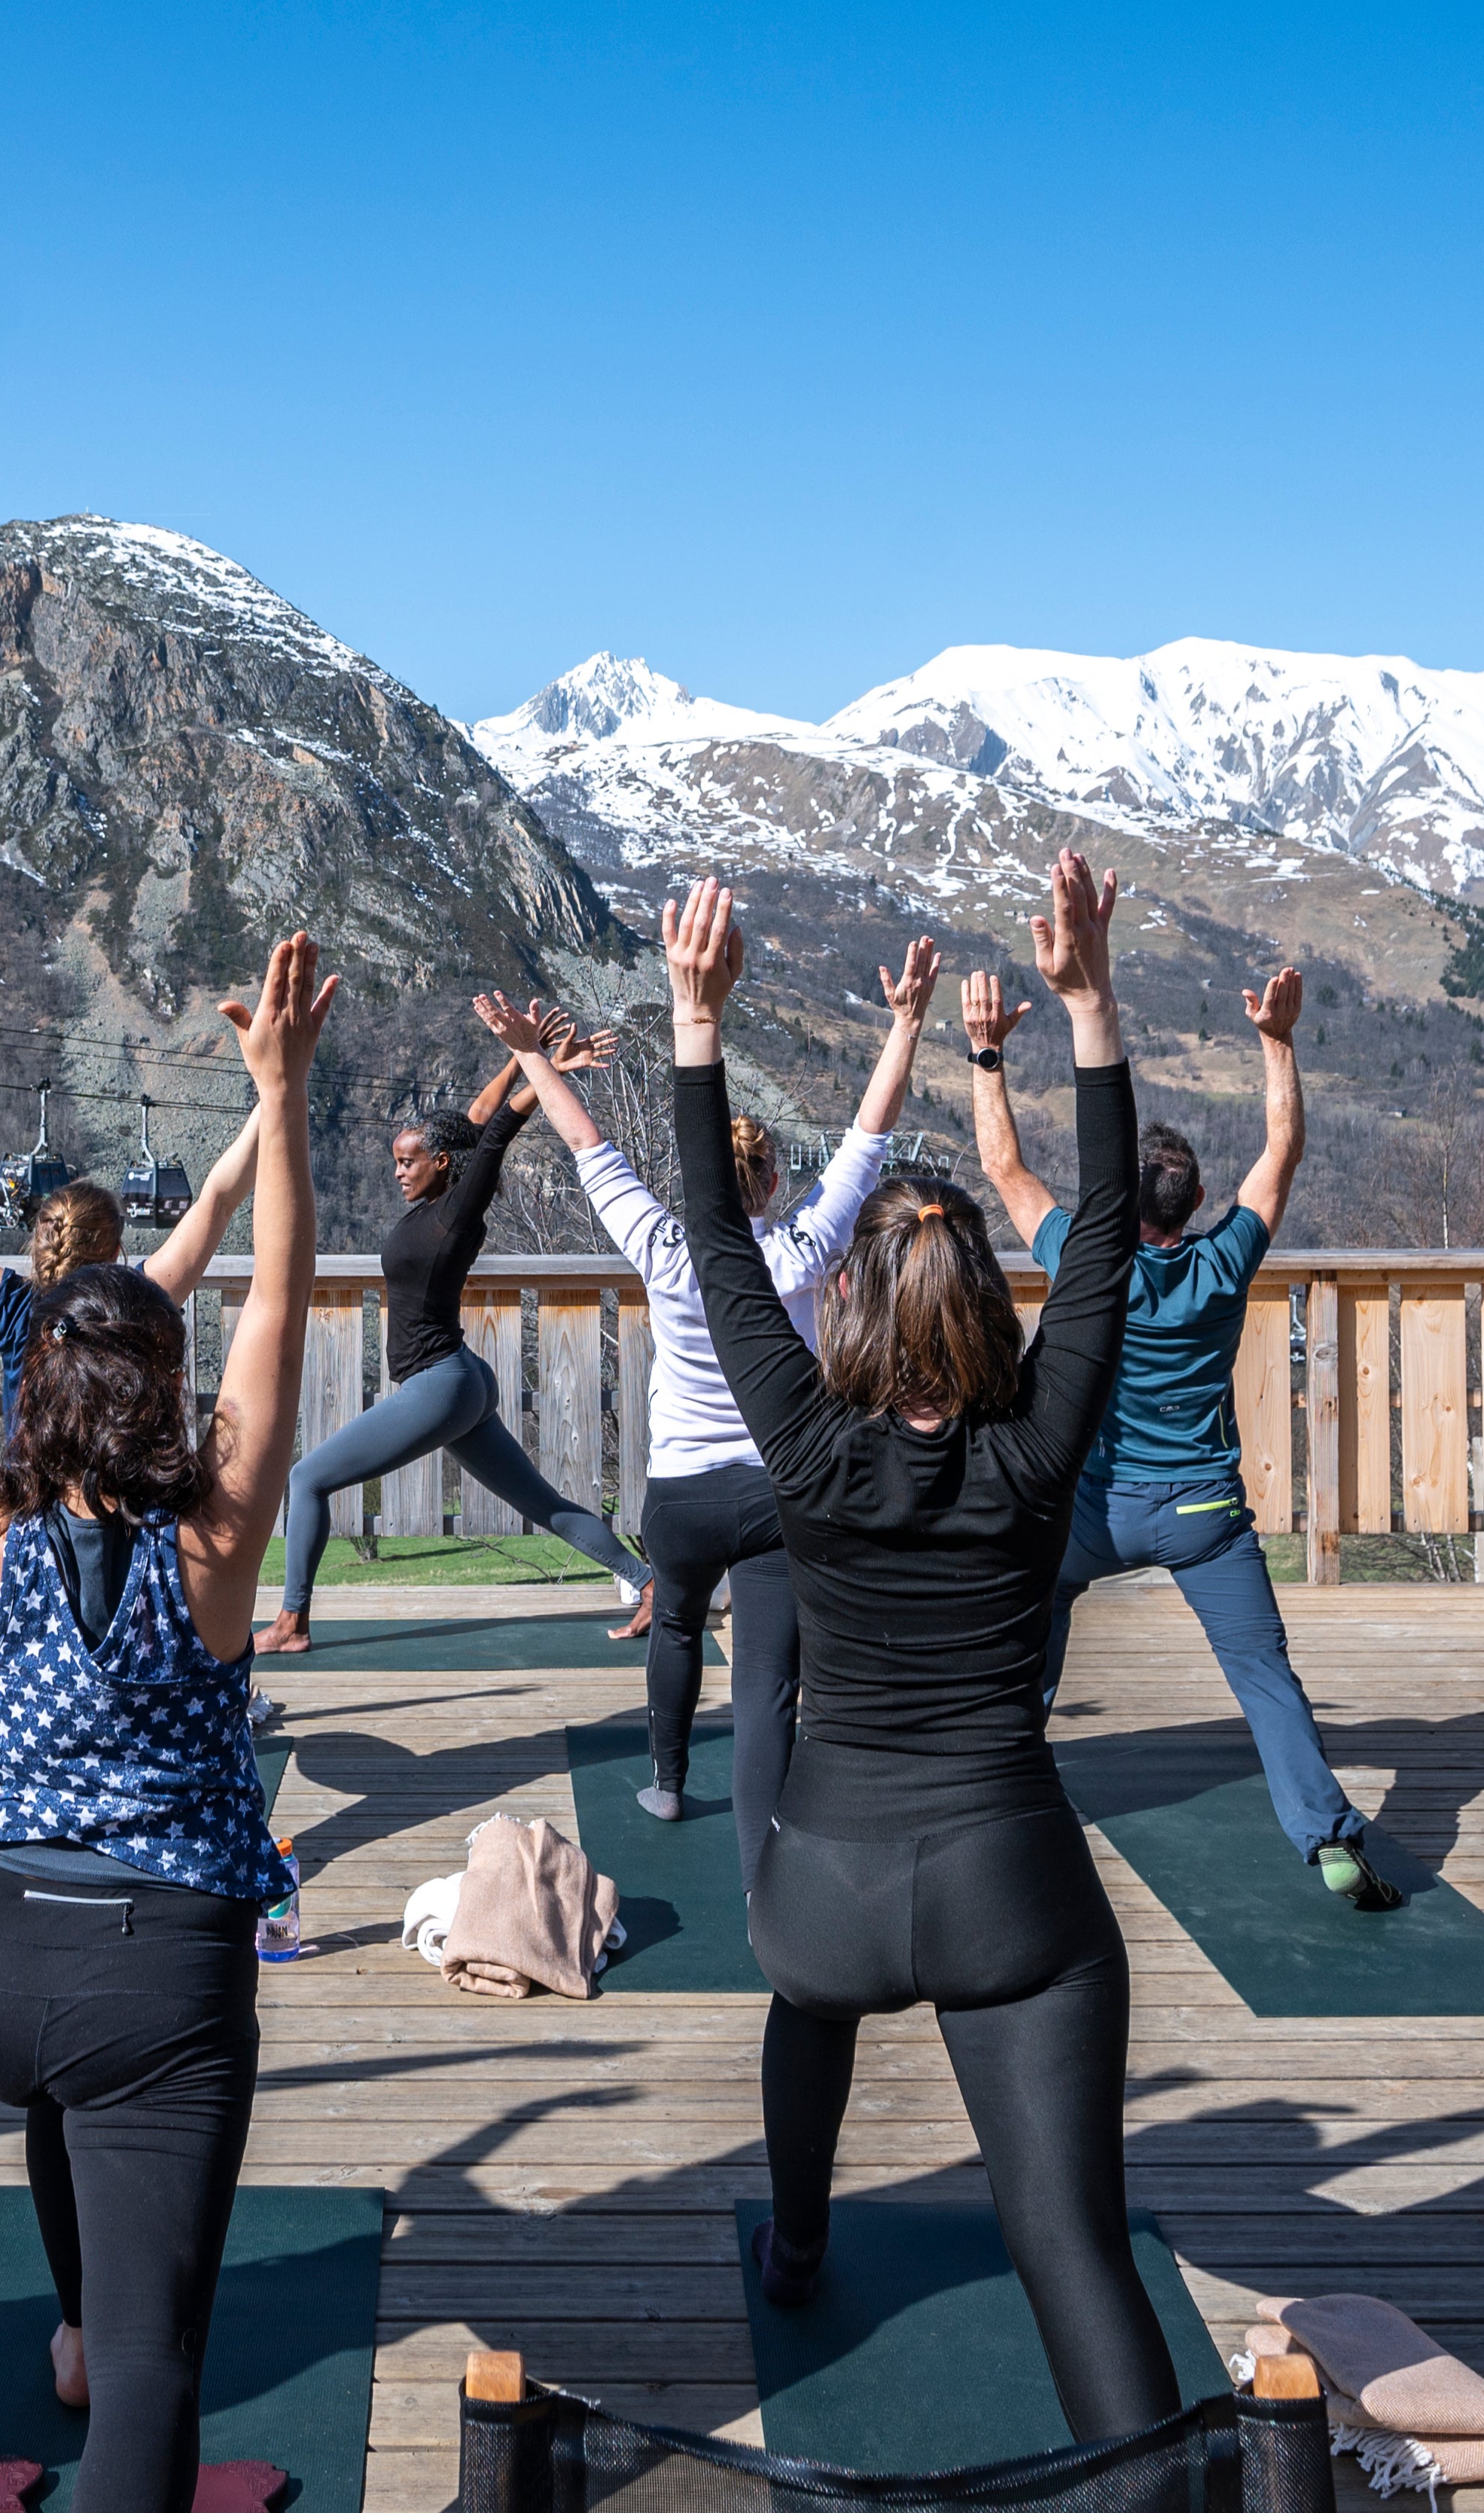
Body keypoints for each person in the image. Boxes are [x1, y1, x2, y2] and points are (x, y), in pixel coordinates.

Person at [0, 932, 334, 2513]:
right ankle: (116, 2352)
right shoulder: (214, 1552)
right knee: (169, 2373)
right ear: (172, 1397)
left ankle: (78, 2332)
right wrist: (278, 1100)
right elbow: (283, 1304)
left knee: (63, 2104)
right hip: (151, 1975)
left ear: (37, 1395)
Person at [672, 855, 1194, 2446]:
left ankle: (805, 2239)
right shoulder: (1036, 1444)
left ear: (846, 1314)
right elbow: (1103, 1241)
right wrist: (1092, 1009)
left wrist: (698, 1025)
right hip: (1008, 1888)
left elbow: (711, 1236)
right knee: (1073, 2251)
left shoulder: (809, 1449)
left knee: (805, 1999)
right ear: (982, 1307)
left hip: (820, 1886)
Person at [491, 943, 936, 1859]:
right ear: (772, 1182)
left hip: (684, 1492)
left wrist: (532, 1054)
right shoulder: (805, 1250)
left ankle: (665, 1780)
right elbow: (868, 1137)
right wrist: (906, 1025)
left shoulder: (663, 1247)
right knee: (770, 1682)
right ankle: (762, 1861)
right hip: (781, 1492)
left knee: (679, 1624)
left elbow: (585, 1144)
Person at [969, 955, 1393, 1910]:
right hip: (1204, 1510)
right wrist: (1277, 1044)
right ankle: (1328, 1837)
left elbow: (1002, 1165)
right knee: (1264, 1674)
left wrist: (986, 1052)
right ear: (1197, 1206)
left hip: (1093, 1514)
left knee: (1030, 1627)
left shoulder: (1084, 1258)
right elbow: (1281, 1151)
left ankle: (999, 1796)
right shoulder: (1227, 1260)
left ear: (1121, 1203)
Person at [250, 1007, 646, 1652]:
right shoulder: (436, 1200)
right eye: (396, 1161)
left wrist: (540, 1070)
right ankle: (647, 1582)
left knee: (307, 1479)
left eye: (409, 1161)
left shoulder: (457, 1213)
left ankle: (292, 1622)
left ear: (439, 1165)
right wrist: (523, 1054)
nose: (399, 1170)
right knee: (541, 1503)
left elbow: (492, 1137)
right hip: (458, 1382)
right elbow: (474, 1122)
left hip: (441, 1385)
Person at [0, 1102, 266, 1439]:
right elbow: (218, 1200)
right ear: (117, 1250)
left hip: (29, 1522)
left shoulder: (14, 1311)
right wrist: (276, 1093)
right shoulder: (138, 1300)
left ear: (41, 1243)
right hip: (123, 1522)